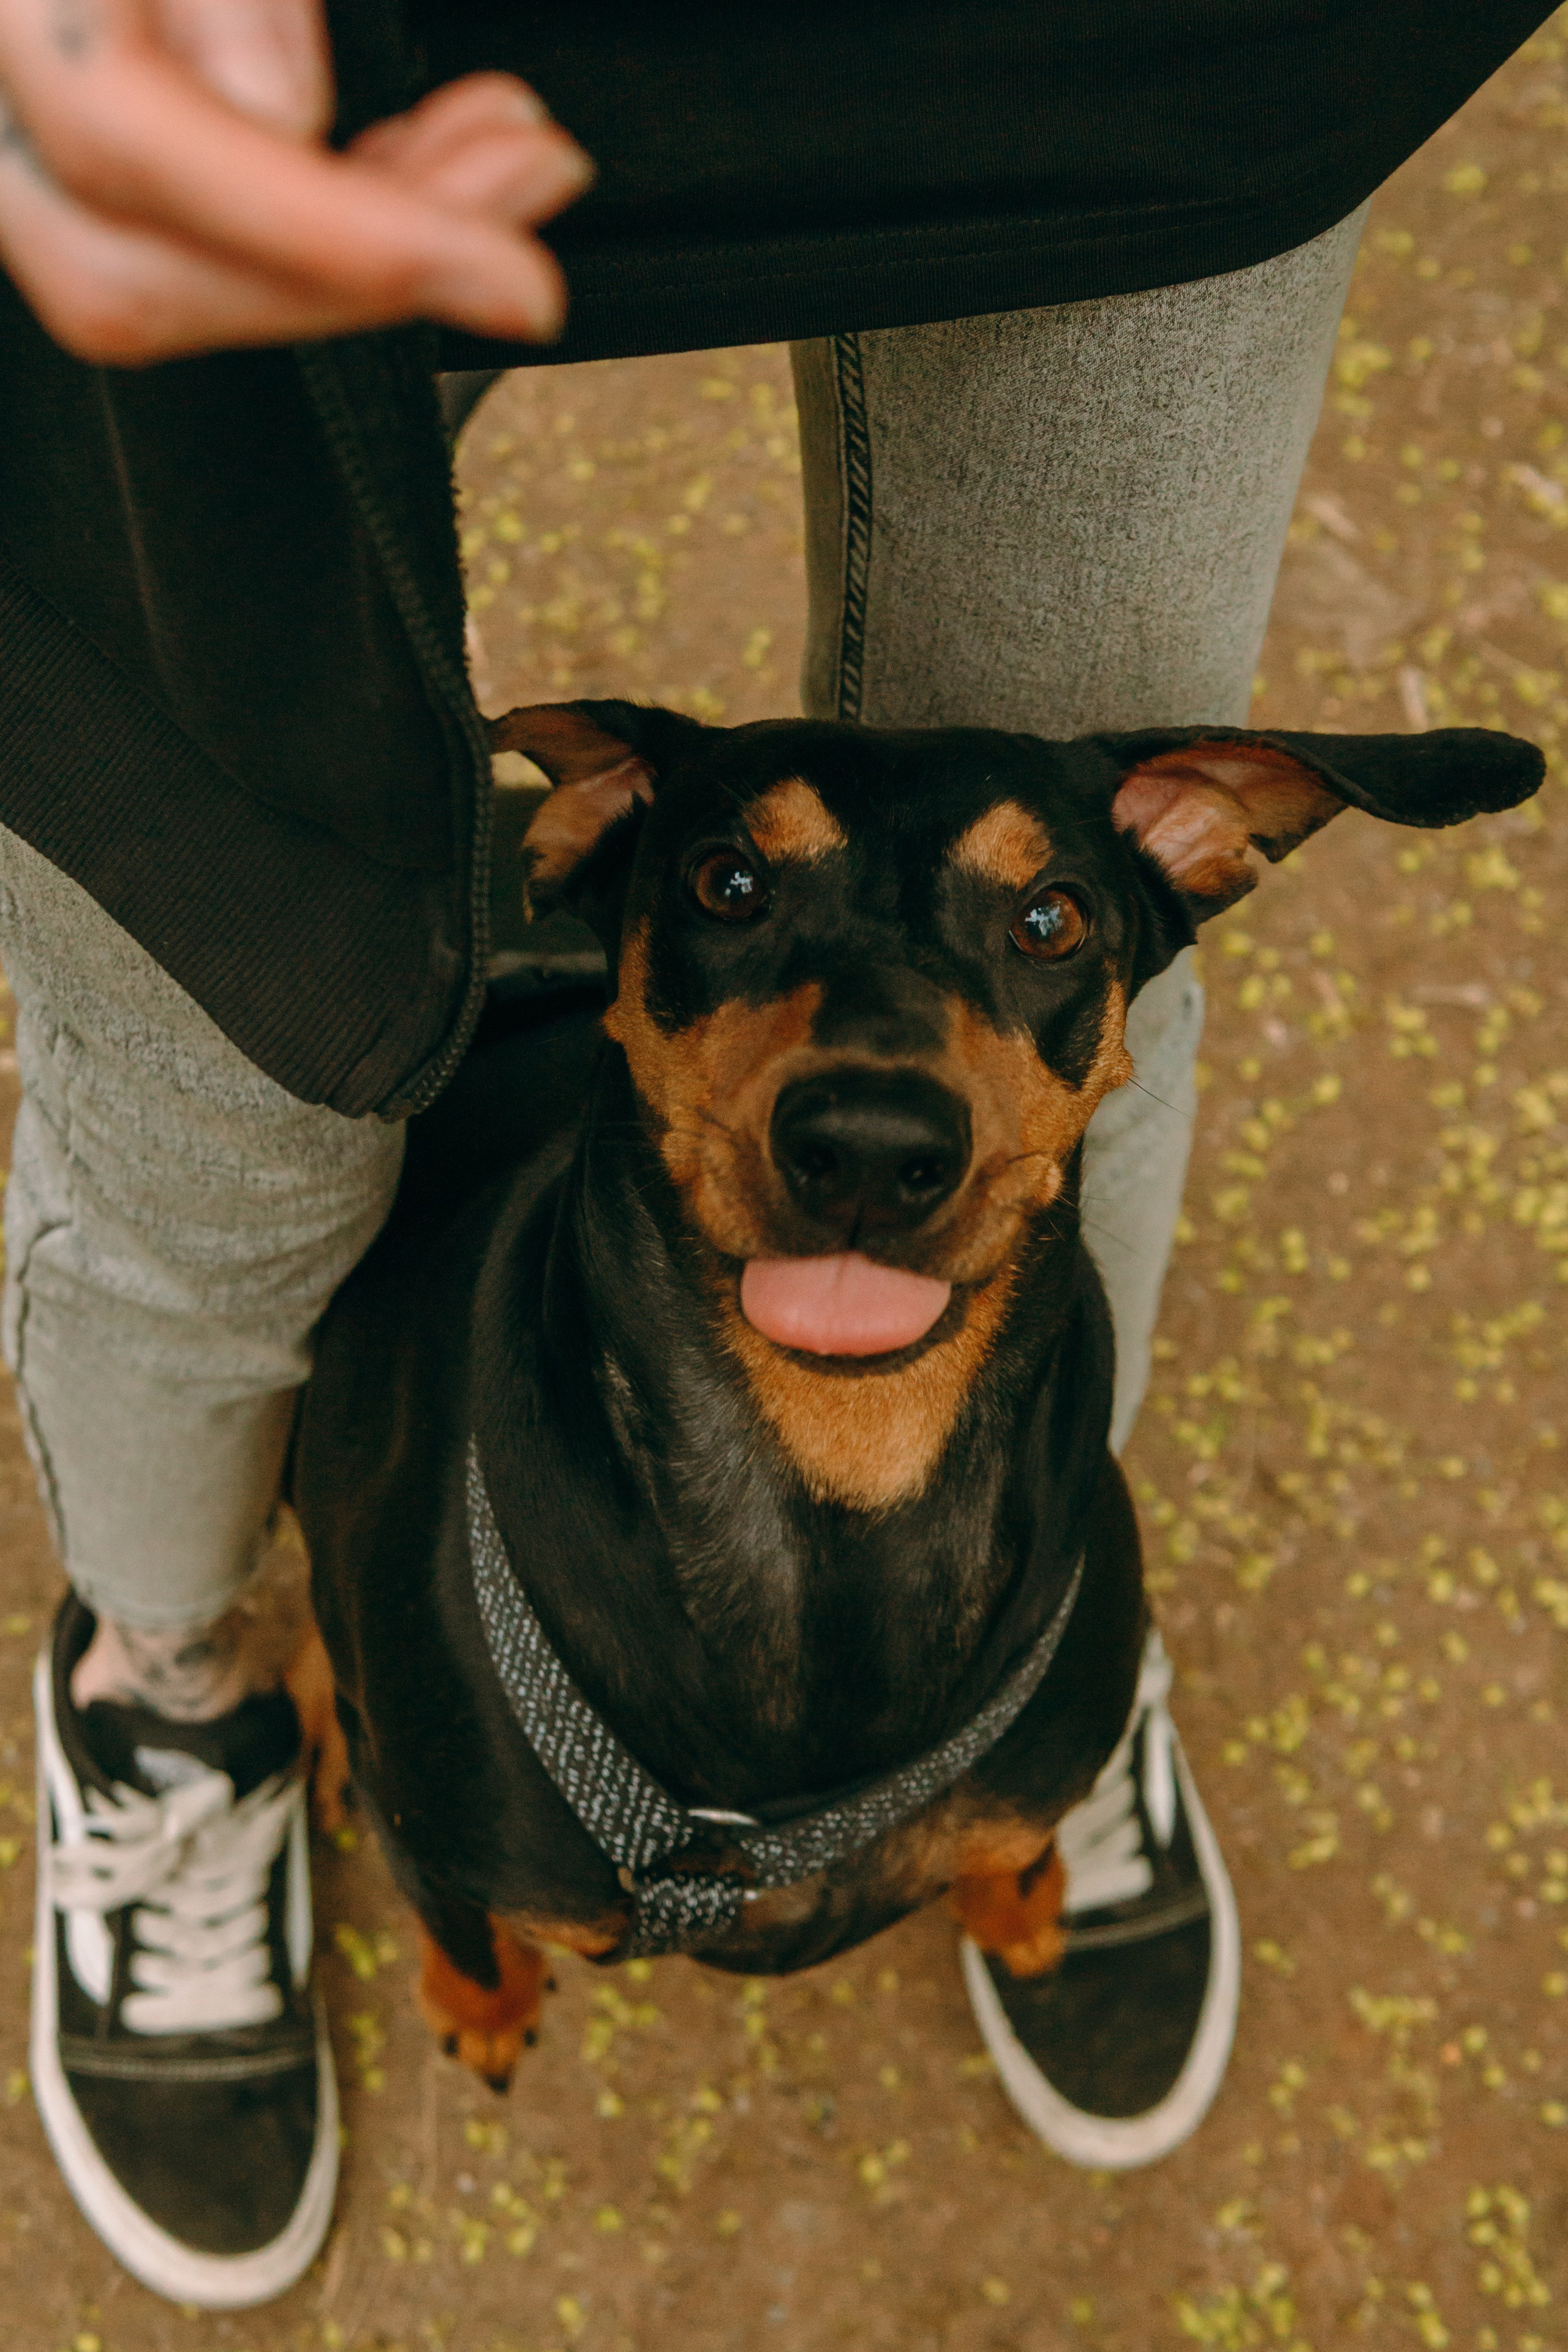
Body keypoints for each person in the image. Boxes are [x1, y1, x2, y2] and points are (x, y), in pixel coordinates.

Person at [0, 0, 1549, 2311]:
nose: (872, 1089)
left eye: (1048, 915)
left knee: (1076, 1041)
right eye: (732, 891)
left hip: (1147, 51)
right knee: (235, 1041)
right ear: (612, 854)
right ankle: (170, 1680)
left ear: (1208, 831)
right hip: (255, 50)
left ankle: (1039, 1719)